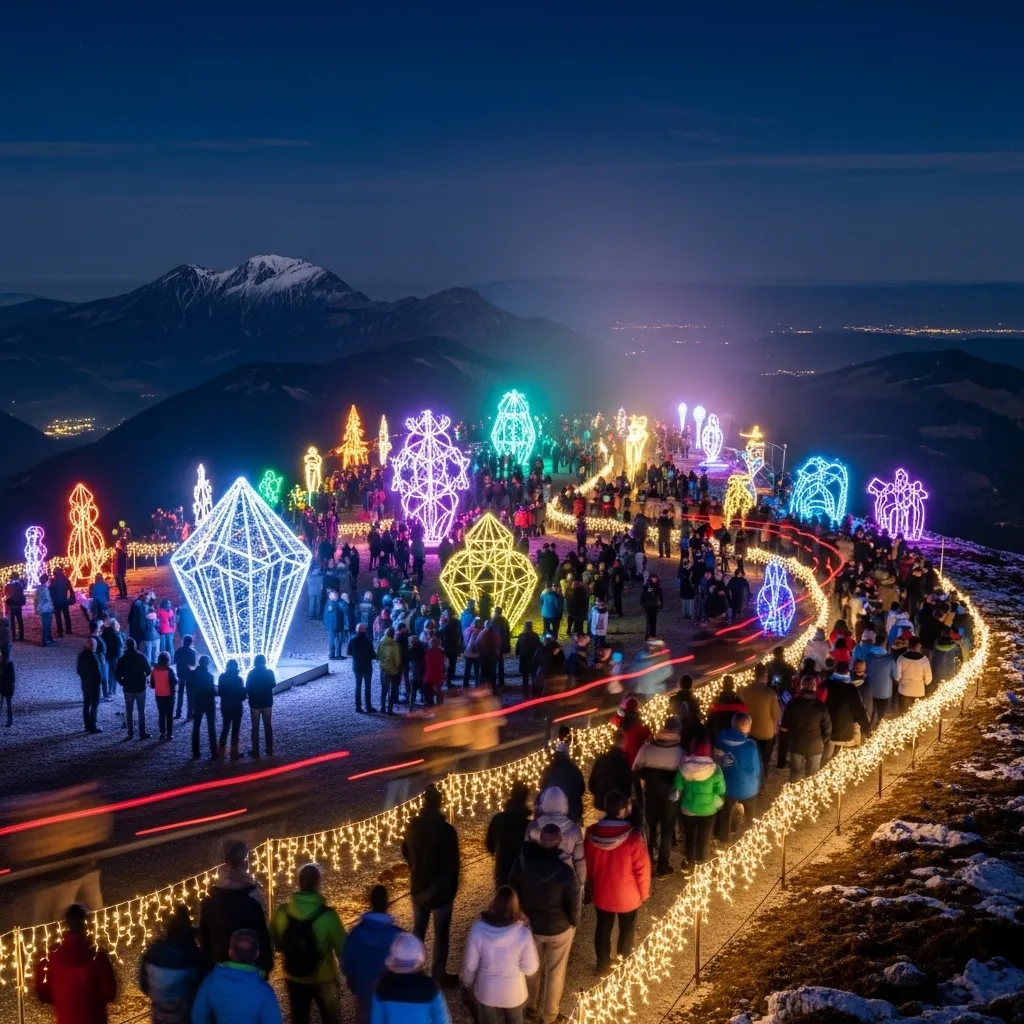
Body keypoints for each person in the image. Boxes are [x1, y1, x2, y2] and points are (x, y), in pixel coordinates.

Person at [508, 824, 579, 1024]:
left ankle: (530, 1007)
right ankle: (550, 1015)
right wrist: (573, 923)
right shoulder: (565, 871)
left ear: (539, 840)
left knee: (532, 969)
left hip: (530, 926)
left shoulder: (522, 863)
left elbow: (511, 888)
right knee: (555, 972)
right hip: (559, 928)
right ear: (558, 842)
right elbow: (573, 903)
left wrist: (519, 913)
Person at [584, 791, 650, 975]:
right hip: (627, 894)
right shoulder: (633, 837)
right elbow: (642, 869)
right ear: (623, 810)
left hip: (602, 890)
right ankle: (624, 963)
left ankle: (602, 963)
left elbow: (586, 863)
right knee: (627, 929)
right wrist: (643, 893)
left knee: (603, 927)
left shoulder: (592, 834)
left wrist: (589, 882)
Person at [271, 862, 346, 1024]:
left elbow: (275, 942)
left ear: (299, 882)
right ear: (318, 883)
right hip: (323, 977)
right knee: (330, 1018)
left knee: (299, 1018)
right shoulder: (329, 916)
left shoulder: (282, 912)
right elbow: (342, 950)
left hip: (293, 976)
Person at [402, 785, 460, 986]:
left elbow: (405, 850)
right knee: (441, 932)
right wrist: (452, 886)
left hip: (418, 887)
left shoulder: (413, 827)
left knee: (419, 929)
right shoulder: (447, 831)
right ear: (440, 804)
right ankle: (439, 972)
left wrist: (414, 867)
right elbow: (454, 862)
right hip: (442, 891)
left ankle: (412, 968)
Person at [461, 887, 539, 1024]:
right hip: (514, 993)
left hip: (486, 992)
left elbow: (470, 964)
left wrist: (468, 982)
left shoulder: (478, 929)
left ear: (494, 903)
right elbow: (531, 969)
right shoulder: (523, 933)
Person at [198, 841, 274, 978]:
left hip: (220, 968)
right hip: (250, 968)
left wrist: (210, 967)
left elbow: (205, 939)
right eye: (246, 859)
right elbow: (261, 936)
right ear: (244, 863)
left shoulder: (209, 902)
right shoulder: (252, 901)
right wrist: (266, 966)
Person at [34, 903, 116, 1024]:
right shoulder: (96, 957)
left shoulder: (51, 957)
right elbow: (110, 993)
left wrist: (63, 999)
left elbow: (43, 995)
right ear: (85, 925)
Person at [190, 928, 281, 1024]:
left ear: (230, 952)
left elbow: (198, 1017)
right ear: (257, 954)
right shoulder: (265, 991)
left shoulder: (210, 981)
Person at [632, 715, 683, 876]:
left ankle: (647, 859)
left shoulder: (647, 748)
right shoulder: (681, 752)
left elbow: (636, 768)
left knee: (650, 826)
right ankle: (663, 865)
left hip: (651, 792)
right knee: (667, 829)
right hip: (671, 795)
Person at [139, 903, 208, 1023]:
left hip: (158, 1010)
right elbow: (199, 984)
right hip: (181, 1011)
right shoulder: (192, 955)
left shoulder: (154, 951)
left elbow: (143, 983)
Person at [342, 886, 402, 1024]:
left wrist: (355, 987)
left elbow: (347, 965)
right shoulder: (398, 935)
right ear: (388, 903)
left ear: (370, 902)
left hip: (365, 993)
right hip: (392, 995)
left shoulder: (356, 934)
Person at [371, 933, 451, 1024]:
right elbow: (442, 1021)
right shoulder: (429, 987)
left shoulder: (382, 987)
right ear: (418, 960)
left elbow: (375, 1021)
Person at [672, 739, 726, 865]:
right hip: (708, 810)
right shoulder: (715, 769)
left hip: (688, 808)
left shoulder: (683, 767)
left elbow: (677, 787)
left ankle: (689, 859)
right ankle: (701, 860)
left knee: (689, 835)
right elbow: (721, 789)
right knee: (704, 836)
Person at [712, 713, 762, 843]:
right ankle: (750, 836)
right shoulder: (750, 746)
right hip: (748, 787)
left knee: (725, 813)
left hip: (726, 785)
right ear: (748, 727)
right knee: (750, 813)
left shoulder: (720, 740)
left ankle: (723, 837)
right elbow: (755, 769)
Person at [525, 787, 586, 886]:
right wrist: (581, 883)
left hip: (539, 875)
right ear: (565, 804)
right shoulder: (574, 829)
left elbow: (527, 855)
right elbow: (579, 860)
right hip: (567, 877)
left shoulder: (533, 826)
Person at [779, 676, 832, 781]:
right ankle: (810, 795)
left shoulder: (792, 704)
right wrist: (823, 740)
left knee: (795, 774)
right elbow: (828, 728)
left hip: (797, 745)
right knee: (812, 777)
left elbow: (784, 726)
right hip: (815, 746)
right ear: (815, 688)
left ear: (801, 687)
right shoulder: (821, 707)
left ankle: (795, 794)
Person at [485, 781, 532, 886]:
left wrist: (498, 853)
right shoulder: (528, 825)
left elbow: (489, 844)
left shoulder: (498, 819)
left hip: (502, 872)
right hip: (522, 873)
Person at [739, 663, 781, 776]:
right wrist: (774, 730)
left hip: (749, 730)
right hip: (766, 734)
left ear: (754, 675)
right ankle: (762, 776)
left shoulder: (744, 690)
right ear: (766, 676)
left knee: (752, 756)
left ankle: (751, 775)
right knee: (764, 758)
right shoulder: (770, 694)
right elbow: (776, 715)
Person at [538, 737, 585, 823]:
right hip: (571, 812)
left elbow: (541, 787)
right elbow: (581, 790)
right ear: (567, 754)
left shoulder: (548, 770)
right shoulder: (574, 770)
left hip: (550, 812)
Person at [587, 730, 634, 816]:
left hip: (600, 805)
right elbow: (627, 788)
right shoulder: (623, 763)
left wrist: (600, 796)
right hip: (617, 808)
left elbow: (591, 785)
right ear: (625, 742)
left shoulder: (600, 760)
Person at [116, 638, 152, 740]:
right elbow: (148, 670)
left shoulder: (122, 659)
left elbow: (117, 675)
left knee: (129, 710)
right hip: (140, 687)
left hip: (128, 688)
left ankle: (130, 732)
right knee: (141, 711)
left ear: (126, 646)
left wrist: (123, 683)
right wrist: (144, 677)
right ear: (135, 645)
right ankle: (142, 732)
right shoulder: (141, 657)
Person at [246, 655, 276, 757]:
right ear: (264, 662)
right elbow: (273, 684)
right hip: (267, 702)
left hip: (255, 703)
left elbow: (247, 687)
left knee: (255, 727)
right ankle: (269, 749)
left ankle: (256, 751)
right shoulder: (269, 672)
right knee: (268, 725)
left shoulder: (251, 673)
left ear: (255, 662)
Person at [217, 659, 247, 758]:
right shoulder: (239, 679)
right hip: (237, 707)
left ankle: (220, 751)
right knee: (235, 730)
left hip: (225, 706)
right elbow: (243, 695)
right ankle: (234, 753)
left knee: (225, 728)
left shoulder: (222, 677)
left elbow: (220, 692)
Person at [706, 676, 748, 744]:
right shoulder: (740, 705)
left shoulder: (716, 705)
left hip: (719, 741)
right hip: (736, 741)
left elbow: (710, 725)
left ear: (723, 686)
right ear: (733, 686)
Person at [191, 655, 218, 760]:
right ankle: (213, 751)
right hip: (209, 703)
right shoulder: (209, 676)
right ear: (207, 664)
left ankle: (195, 751)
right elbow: (212, 691)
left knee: (196, 726)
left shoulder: (193, 674)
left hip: (197, 702)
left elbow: (190, 689)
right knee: (211, 727)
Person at [896, 636, 932, 712]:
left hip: (904, 690)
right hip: (919, 691)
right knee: (916, 716)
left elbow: (897, 677)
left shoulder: (901, 658)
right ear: (918, 645)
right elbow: (928, 680)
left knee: (905, 716)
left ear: (909, 644)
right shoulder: (924, 660)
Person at [77, 637, 104, 734]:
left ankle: (87, 725)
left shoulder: (81, 655)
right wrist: (100, 681)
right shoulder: (94, 657)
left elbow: (78, 670)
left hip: (85, 683)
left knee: (86, 704)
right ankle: (93, 726)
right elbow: (98, 673)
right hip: (94, 684)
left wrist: (84, 678)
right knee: (94, 705)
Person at [349, 623, 377, 713]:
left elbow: (349, 652)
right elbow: (373, 655)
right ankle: (368, 706)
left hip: (357, 665)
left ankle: (358, 707)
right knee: (367, 687)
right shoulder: (368, 640)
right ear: (364, 630)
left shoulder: (353, 640)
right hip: (367, 666)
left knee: (358, 686)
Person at [151, 651, 179, 741]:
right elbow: (174, 682)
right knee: (169, 715)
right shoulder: (169, 671)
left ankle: (162, 733)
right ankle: (169, 734)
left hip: (159, 695)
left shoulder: (154, 670)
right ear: (167, 661)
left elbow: (152, 685)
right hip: (169, 695)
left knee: (161, 714)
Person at [174, 635, 198, 721]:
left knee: (180, 694)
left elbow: (175, 661)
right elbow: (193, 664)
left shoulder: (178, 650)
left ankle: (178, 713)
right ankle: (189, 714)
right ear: (191, 642)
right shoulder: (193, 652)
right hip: (189, 675)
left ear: (183, 641)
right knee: (190, 695)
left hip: (180, 674)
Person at [515, 622, 542, 694]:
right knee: (534, 674)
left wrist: (518, 653)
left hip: (524, 658)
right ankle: (534, 690)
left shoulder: (521, 636)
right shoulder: (535, 635)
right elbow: (539, 646)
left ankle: (525, 691)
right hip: (533, 658)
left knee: (525, 676)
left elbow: (518, 647)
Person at [50, 567, 75, 637]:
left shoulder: (53, 581)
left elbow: (51, 590)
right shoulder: (66, 580)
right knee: (66, 615)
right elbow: (70, 589)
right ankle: (68, 630)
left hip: (57, 601)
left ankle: (60, 631)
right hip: (64, 600)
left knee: (58, 617)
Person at [4, 572, 26, 641]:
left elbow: (6, 595)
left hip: (12, 605)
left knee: (12, 622)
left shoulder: (9, 585)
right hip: (18, 606)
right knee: (20, 621)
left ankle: (13, 636)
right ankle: (21, 636)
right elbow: (21, 595)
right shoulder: (20, 586)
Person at [639, 575, 663, 640]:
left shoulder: (658, 587)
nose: (654, 580)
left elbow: (660, 596)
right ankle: (648, 635)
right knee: (649, 621)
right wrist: (643, 603)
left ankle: (653, 634)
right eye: (653, 579)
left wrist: (661, 604)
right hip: (648, 605)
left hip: (654, 605)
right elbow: (643, 595)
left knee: (654, 620)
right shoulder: (646, 587)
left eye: (655, 579)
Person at [36, 573, 55, 647]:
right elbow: (45, 600)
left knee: (48, 624)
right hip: (46, 609)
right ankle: (44, 640)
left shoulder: (39, 589)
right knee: (46, 625)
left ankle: (49, 638)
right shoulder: (44, 589)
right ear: (46, 581)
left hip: (45, 609)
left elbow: (37, 600)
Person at [324, 590, 343, 660]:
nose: (336, 597)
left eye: (336, 596)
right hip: (332, 627)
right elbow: (333, 617)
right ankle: (332, 655)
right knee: (332, 641)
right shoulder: (331, 605)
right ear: (330, 596)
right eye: (334, 596)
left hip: (336, 626)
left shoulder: (335, 603)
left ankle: (338, 654)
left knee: (338, 640)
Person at [1, 648, 13, 726]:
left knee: (7, 705)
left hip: (5, 686)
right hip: (6, 686)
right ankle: (9, 721)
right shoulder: (9, 664)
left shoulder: (7, 665)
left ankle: (9, 721)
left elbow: (11, 678)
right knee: (7, 705)